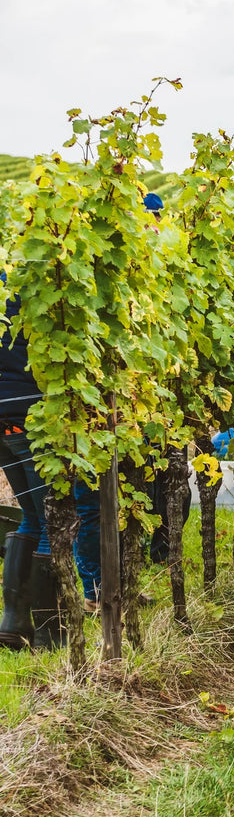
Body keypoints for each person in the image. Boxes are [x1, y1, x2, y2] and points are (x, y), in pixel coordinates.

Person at [0, 273, 60, 648]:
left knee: (33, 517)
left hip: (2, 419)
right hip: (29, 415)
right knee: (55, 518)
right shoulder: (37, 284)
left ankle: (13, 622)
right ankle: (52, 634)